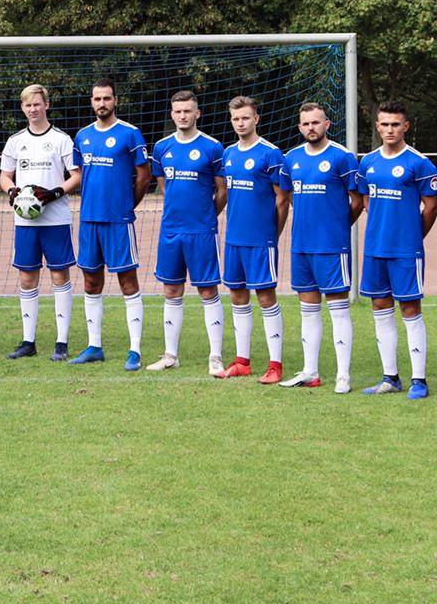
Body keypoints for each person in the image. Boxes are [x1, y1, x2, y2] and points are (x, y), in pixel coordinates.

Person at [356, 101, 437, 398]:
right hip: (375, 248)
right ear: (377, 126)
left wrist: (413, 235)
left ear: (406, 126)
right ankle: (390, 377)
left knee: (410, 309)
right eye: (384, 124)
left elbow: (432, 207)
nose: (389, 129)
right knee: (380, 307)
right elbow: (366, 201)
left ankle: (419, 380)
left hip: (405, 250)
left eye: (395, 124)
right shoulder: (367, 162)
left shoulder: (420, 163)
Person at [281, 102, 363, 392]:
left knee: (338, 309)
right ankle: (310, 371)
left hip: (332, 246)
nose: (310, 128)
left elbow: (357, 201)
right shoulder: (291, 158)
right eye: (305, 124)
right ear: (300, 126)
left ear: (327, 124)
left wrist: (339, 226)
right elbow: (289, 196)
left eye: (316, 123)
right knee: (308, 309)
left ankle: (343, 375)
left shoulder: (342, 157)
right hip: (301, 245)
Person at [145, 91, 227, 375]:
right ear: (172, 114)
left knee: (207, 290)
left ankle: (215, 357)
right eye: (178, 111)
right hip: (171, 230)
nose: (183, 116)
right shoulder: (162, 147)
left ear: (197, 113)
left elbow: (222, 190)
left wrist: (205, 215)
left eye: (188, 111)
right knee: (171, 289)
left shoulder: (213, 147)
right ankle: (170, 355)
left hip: (202, 231)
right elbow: (163, 184)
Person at [72, 79, 151, 367]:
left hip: (118, 221)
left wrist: (128, 205)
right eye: (97, 99)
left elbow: (144, 176)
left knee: (127, 281)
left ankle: (135, 350)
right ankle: (94, 346)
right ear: (91, 102)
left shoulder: (130, 134)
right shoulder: (82, 136)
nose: (101, 103)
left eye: (106, 98)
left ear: (116, 100)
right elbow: (81, 174)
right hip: (89, 219)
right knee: (91, 281)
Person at [0, 84, 79, 361]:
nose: (32, 109)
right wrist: (12, 192)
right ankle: (28, 341)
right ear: (22, 108)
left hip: (55, 219)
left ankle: (61, 342)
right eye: (27, 105)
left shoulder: (61, 139)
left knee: (59, 276)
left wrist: (54, 193)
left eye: (37, 104)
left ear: (47, 105)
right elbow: (5, 177)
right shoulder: (15, 141)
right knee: (27, 277)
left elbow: (76, 176)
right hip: (25, 222)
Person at [218, 96, 291, 383]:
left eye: (245, 118)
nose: (240, 123)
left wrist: (272, 235)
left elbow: (282, 199)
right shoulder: (228, 154)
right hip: (234, 238)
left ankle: (275, 365)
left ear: (256, 119)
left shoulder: (271, 154)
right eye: (236, 118)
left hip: (260, 240)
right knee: (237, 296)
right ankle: (242, 361)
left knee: (265, 297)